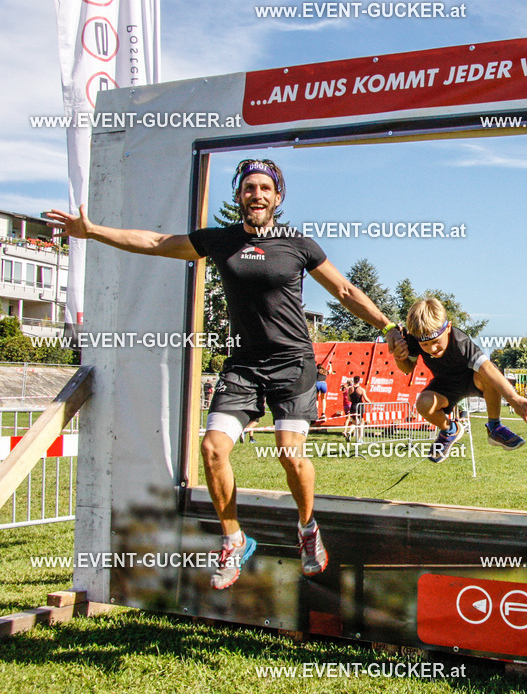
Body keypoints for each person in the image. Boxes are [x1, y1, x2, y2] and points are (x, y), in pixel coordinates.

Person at [47, 158, 404, 590]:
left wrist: (387, 328)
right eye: (249, 188)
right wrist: (93, 231)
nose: (256, 195)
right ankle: (234, 539)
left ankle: (308, 529)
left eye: (264, 189)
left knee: (289, 452)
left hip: (293, 363)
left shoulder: (298, 243)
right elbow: (156, 241)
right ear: (238, 196)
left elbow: (345, 290)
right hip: (244, 366)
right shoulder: (220, 241)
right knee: (213, 449)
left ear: (277, 197)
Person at [392, 298, 527, 462]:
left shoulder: (460, 342)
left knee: (489, 373)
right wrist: (399, 358)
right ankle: (450, 429)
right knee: (423, 403)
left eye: (436, 341)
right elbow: (408, 368)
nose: (432, 349)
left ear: (448, 328)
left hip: (473, 379)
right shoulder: (415, 338)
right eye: (425, 345)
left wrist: (513, 398)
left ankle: (495, 427)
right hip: (445, 386)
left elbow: (487, 367)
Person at [348, 375, 370, 443]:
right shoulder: (361, 389)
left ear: (353, 380)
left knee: (354, 422)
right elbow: (366, 399)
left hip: (353, 406)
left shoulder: (350, 389)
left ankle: (349, 432)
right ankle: (360, 438)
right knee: (361, 423)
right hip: (360, 407)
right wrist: (370, 402)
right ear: (359, 381)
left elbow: (349, 399)